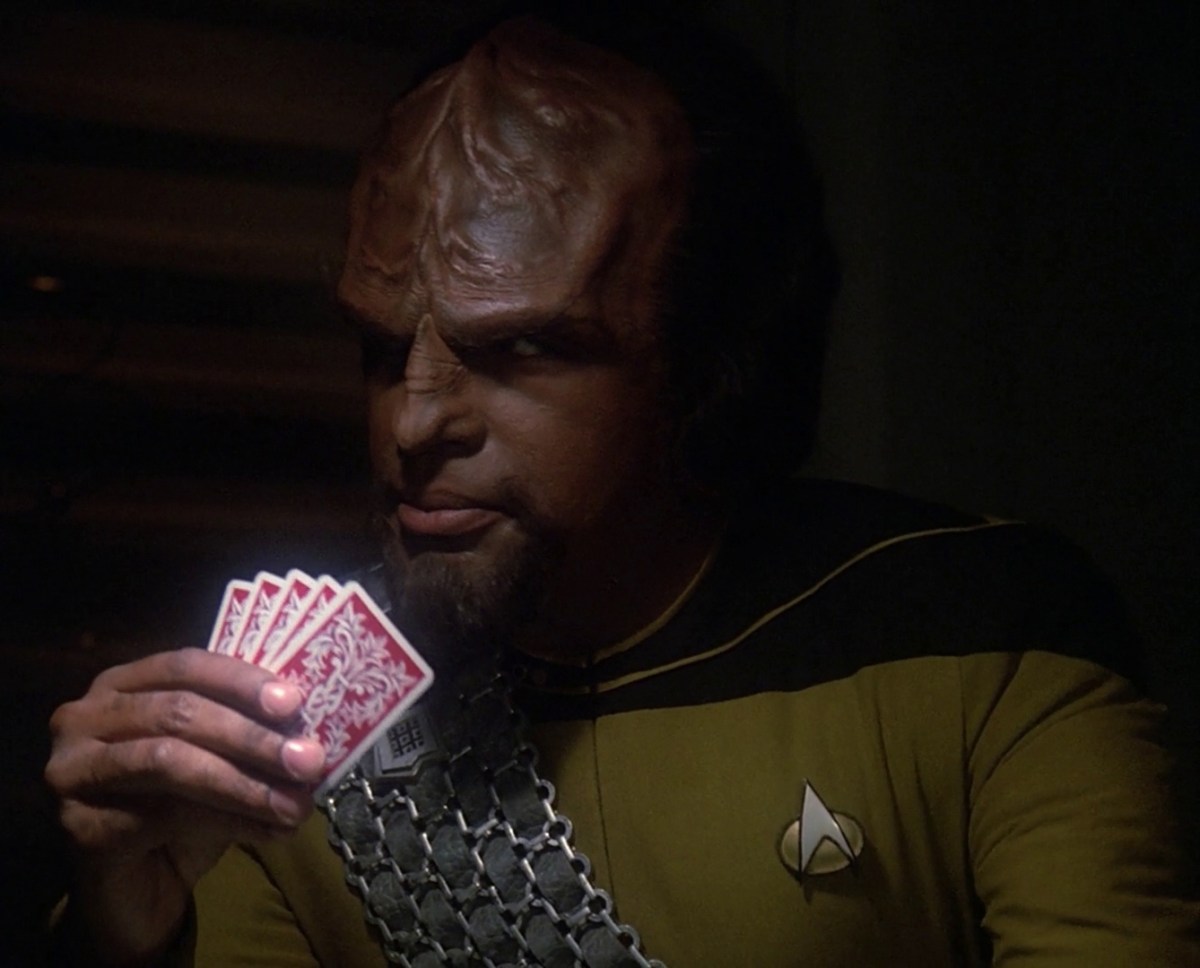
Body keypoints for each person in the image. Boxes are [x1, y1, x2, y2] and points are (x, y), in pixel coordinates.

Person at [44, 11, 1197, 967]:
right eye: (382, 349)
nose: (411, 420)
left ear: (703, 365)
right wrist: (128, 933)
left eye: (522, 350)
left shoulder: (982, 637)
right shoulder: (286, 727)